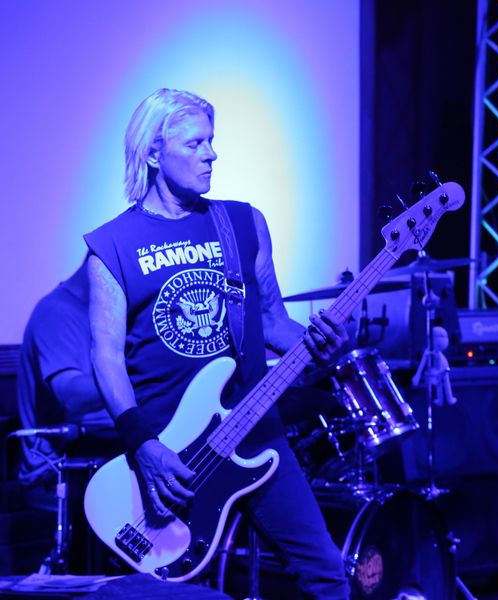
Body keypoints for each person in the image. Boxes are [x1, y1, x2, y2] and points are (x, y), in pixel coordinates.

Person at [84, 88, 350, 597]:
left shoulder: (242, 223)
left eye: (211, 140)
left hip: (256, 432)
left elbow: (273, 322)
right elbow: (106, 355)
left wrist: (325, 342)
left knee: (326, 574)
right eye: (195, 143)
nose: (212, 154)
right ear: (155, 153)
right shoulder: (112, 245)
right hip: (171, 455)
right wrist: (143, 445)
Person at [16, 259, 115, 502]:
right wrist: (138, 374)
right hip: (57, 472)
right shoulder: (56, 313)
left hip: (94, 456)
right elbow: (72, 398)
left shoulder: (102, 312)